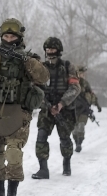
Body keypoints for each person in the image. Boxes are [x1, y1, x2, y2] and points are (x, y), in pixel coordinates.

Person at [0, 18, 49, 196]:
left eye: (12, 35)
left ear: (19, 37)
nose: (9, 38)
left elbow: (43, 77)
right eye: (6, 35)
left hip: (18, 111)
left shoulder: (27, 58)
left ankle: (12, 193)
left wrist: (26, 60)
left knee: (14, 152)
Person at [32, 37, 81, 178]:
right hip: (47, 109)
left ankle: (67, 163)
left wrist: (61, 104)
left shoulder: (67, 67)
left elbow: (75, 88)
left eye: (52, 49)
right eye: (47, 49)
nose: (49, 52)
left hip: (65, 110)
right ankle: (43, 169)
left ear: (58, 51)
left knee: (65, 138)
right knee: (41, 137)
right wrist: (45, 104)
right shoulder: (41, 68)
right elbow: (35, 88)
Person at [72, 65, 101, 153]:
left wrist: (97, 105)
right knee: (74, 128)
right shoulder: (72, 82)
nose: (82, 75)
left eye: (83, 73)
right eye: (80, 73)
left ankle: (79, 143)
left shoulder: (85, 84)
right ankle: (76, 141)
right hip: (73, 109)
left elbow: (92, 94)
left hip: (84, 109)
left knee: (81, 126)